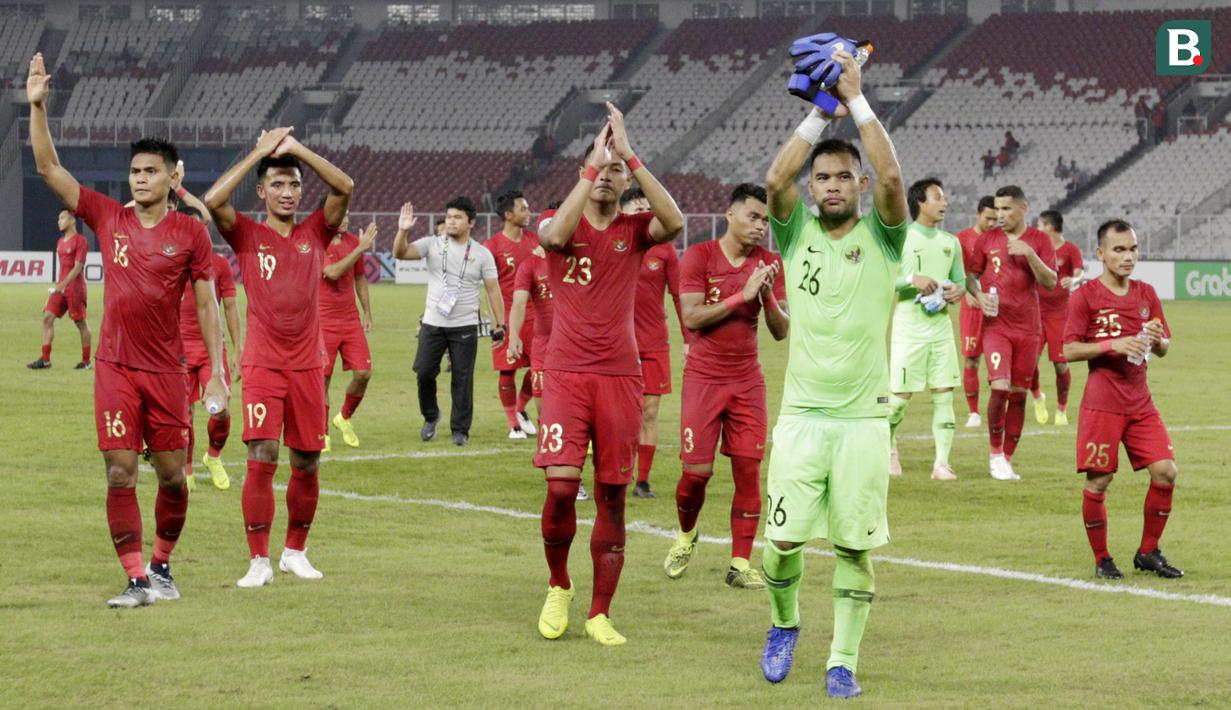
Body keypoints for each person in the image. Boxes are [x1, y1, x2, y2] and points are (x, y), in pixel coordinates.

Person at [27, 53, 227, 608]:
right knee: (119, 472)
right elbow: (50, 170)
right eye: (135, 172)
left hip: (167, 370)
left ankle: (162, 565)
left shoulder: (190, 234)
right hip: (115, 368)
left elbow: (207, 307)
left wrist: (215, 376)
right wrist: (38, 108)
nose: (140, 179)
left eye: (151, 172)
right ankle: (136, 577)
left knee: (171, 478)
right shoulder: (107, 217)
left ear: (172, 177)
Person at [759, 48, 908, 699]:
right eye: (820, 177)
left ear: (859, 186)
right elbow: (771, 181)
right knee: (783, 540)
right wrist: (822, 111)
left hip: (862, 422)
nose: (828, 185)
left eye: (842, 177)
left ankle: (841, 661)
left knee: (853, 550)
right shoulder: (792, 235)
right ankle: (783, 623)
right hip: (801, 420)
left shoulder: (883, 236)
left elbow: (896, 183)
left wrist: (856, 100)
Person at [534, 103, 684, 647]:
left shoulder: (636, 229)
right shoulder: (561, 223)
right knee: (560, 486)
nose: (608, 176)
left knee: (613, 495)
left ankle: (600, 611)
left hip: (621, 377)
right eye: (600, 169)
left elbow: (676, 222)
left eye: (615, 172)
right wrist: (593, 166)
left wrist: (630, 155)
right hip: (568, 373)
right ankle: (559, 585)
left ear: (626, 182)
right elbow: (551, 240)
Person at [203, 126, 353, 588]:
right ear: (263, 191)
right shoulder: (247, 234)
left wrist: (296, 151)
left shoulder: (315, 232)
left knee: (307, 462)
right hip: (264, 363)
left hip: (309, 364)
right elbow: (212, 201)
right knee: (262, 455)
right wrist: (260, 154)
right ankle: (258, 560)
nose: (287, 193)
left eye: (294, 184)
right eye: (278, 184)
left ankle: (295, 552)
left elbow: (344, 186)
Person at [662, 183, 788, 589]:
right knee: (696, 473)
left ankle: (739, 563)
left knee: (748, 471)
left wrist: (766, 296)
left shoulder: (769, 262)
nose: (761, 226)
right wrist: (741, 296)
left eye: (765, 220)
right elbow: (693, 318)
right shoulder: (699, 256)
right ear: (730, 215)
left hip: (747, 380)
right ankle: (686, 533)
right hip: (703, 378)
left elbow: (781, 331)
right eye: (753, 216)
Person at [1063, 219, 1181, 580]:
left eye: (1132, 249)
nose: (1128, 256)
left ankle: (1148, 551)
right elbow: (1067, 349)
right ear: (1100, 254)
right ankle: (1102, 559)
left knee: (1166, 471)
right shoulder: (1085, 297)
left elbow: (1162, 348)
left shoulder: (1146, 293)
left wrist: (1158, 340)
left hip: (1140, 402)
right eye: (1119, 249)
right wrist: (1111, 344)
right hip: (1103, 403)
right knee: (1100, 481)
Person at [393, 198, 504, 447]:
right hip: (433, 323)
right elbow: (399, 253)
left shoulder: (481, 254)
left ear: (471, 223)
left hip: (464, 325)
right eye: (449, 216)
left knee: (462, 379)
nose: (452, 221)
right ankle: (431, 416)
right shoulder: (432, 244)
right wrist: (403, 230)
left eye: (458, 217)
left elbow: (493, 291)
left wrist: (500, 325)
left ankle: (460, 429)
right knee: (423, 372)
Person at [965, 186, 1057, 481]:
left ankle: (1006, 459)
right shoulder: (987, 240)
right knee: (1000, 387)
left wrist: (1029, 254)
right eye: (997, 209)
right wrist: (978, 296)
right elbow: (969, 276)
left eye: (1006, 209)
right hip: (997, 326)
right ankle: (994, 454)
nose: (1000, 215)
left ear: (1022, 209)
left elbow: (1051, 282)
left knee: (1018, 394)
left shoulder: (1039, 241)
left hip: (1029, 329)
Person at [886, 178, 966, 480]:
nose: (944, 203)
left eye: (944, 198)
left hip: (940, 328)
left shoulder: (951, 243)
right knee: (898, 400)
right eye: (938, 197)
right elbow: (881, 281)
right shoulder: (901, 239)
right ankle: (889, 447)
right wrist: (910, 280)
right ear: (920, 201)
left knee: (944, 393)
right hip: (909, 328)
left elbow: (960, 281)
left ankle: (941, 463)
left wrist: (958, 291)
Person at [176, 203, 244, 493]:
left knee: (221, 411)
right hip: (177, 350)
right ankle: (187, 468)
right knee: (184, 414)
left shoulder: (220, 265)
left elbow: (230, 307)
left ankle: (213, 456)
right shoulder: (173, 264)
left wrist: (239, 350)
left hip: (211, 350)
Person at [625, 186, 687, 499]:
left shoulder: (664, 249)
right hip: (617, 346)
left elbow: (678, 295)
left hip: (653, 343)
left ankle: (643, 480)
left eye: (649, 209)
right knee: (620, 415)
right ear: (623, 213)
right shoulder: (614, 244)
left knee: (649, 412)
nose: (646, 214)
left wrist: (689, 340)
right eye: (639, 209)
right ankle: (615, 473)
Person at [321, 213, 376, 451]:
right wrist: (361, 249)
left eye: (347, 215)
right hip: (322, 321)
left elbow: (360, 278)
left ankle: (343, 417)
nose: (346, 219)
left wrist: (367, 311)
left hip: (350, 320)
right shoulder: (316, 241)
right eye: (340, 214)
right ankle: (320, 432)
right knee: (322, 379)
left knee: (363, 373)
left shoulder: (353, 241)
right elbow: (331, 272)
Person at [487, 190, 539, 440]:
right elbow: (489, 289)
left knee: (541, 367)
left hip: (537, 316)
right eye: (523, 208)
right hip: (507, 317)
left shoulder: (536, 242)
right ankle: (513, 424)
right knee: (507, 370)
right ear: (508, 215)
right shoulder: (493, 246)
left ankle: (520, 409)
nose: (528, 212)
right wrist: (496, 324)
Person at [1028, 209, 1083, 426]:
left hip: (1060, 315)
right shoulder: (1036, 249)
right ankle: (1037, 397)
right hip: (1035, 313)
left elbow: (1079, 271)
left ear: (1049, 227)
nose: (1037, 229)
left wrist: (1075, 280)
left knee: (1061, 365)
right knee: (1029, 363)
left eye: (1040, 225)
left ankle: (1061, 408)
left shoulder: (1070, 250)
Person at [28, 208, 92, 370]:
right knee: (47, 318)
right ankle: (45, 359)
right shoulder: (60, 242)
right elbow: (62, 268)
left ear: (72, 220)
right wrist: (58, 287)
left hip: (75, 289)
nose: (59, 221)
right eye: (58, 218)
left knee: (80, 323)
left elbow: (77, 268)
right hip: (60, 288)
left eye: (62, 218)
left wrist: (61, 286)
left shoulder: (81, 241)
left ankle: (86, 362)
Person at [956, 196, 997, 427]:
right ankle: (974, 412)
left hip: (996, 307)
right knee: (972, 360)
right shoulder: (962, 239)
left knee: (998, 360)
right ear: (978, 214)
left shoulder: (1000, 239)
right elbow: (957, 272)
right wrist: (967, 293)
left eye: (995, 219)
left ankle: (997, 408)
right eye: (988, 218)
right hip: (972, 307)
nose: (992, 223)